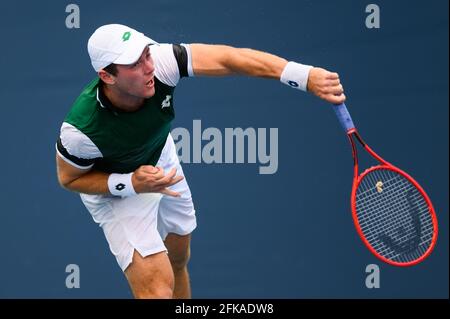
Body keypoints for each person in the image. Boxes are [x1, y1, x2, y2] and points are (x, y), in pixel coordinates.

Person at [55, 23, 345, 299]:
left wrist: (302, 75)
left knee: (179, 256)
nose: (149, 67)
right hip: (115, 188)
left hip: (159, 157)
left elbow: (229, 59)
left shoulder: (161, 62)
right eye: (134, 64)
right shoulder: (80, 131)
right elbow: (69, 179)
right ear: (107, 76)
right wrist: (130, 183)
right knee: (157, 290)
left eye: (146, 54)